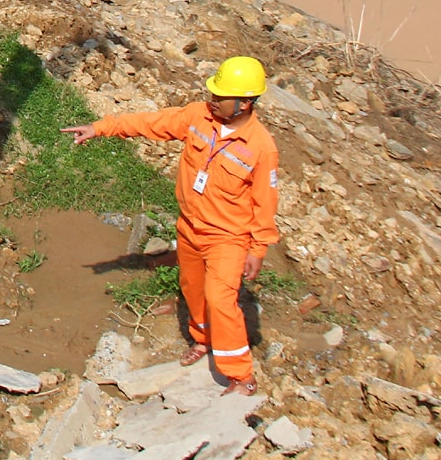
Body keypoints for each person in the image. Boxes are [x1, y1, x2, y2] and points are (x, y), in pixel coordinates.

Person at [63, 55, 280, 395]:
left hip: (228, 238)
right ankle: (203, 338)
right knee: (192, 287)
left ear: (244, 103)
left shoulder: (261, 147)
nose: (212, 98)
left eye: (221, 95)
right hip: (190, 227)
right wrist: (100, 127)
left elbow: (265, 203)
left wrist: (258, 248)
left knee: (220, 298)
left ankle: (240, 375)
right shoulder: (197, 117)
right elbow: (152, 123)